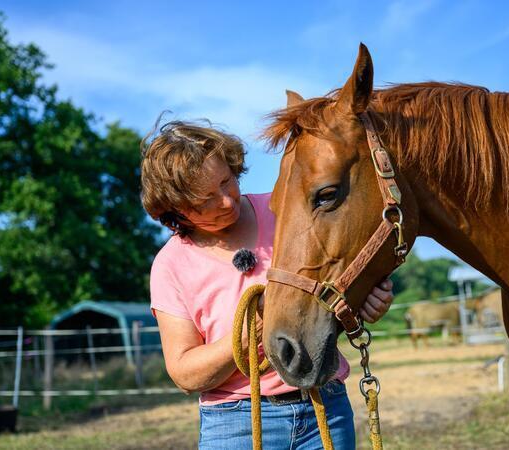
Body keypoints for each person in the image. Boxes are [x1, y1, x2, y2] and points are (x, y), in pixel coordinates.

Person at [141, 119, 394, 449]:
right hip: (235, 423)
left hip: (324, 406)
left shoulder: (288, 210)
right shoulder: (170, 265)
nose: (227, 202)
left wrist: (363, 302)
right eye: (205, 201)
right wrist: (255, 331)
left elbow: (335, 288)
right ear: (174, 209)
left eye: (226, 181)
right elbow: (186, 374)